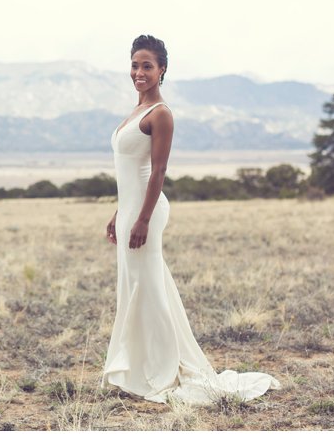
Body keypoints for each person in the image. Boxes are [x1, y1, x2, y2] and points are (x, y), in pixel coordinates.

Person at [101, 34, 281, 405]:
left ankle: (165, 370)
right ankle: (139, 368)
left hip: (147, 213)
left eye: (147, 66)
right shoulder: (135, 111)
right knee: (136, 288)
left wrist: (142, 220)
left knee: (148, 288)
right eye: (135, 65)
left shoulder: (161, 114)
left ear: (162, 70)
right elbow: (129, 171)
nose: (139, 72)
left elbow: (158, 169)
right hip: (131, 211)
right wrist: (120, 212)